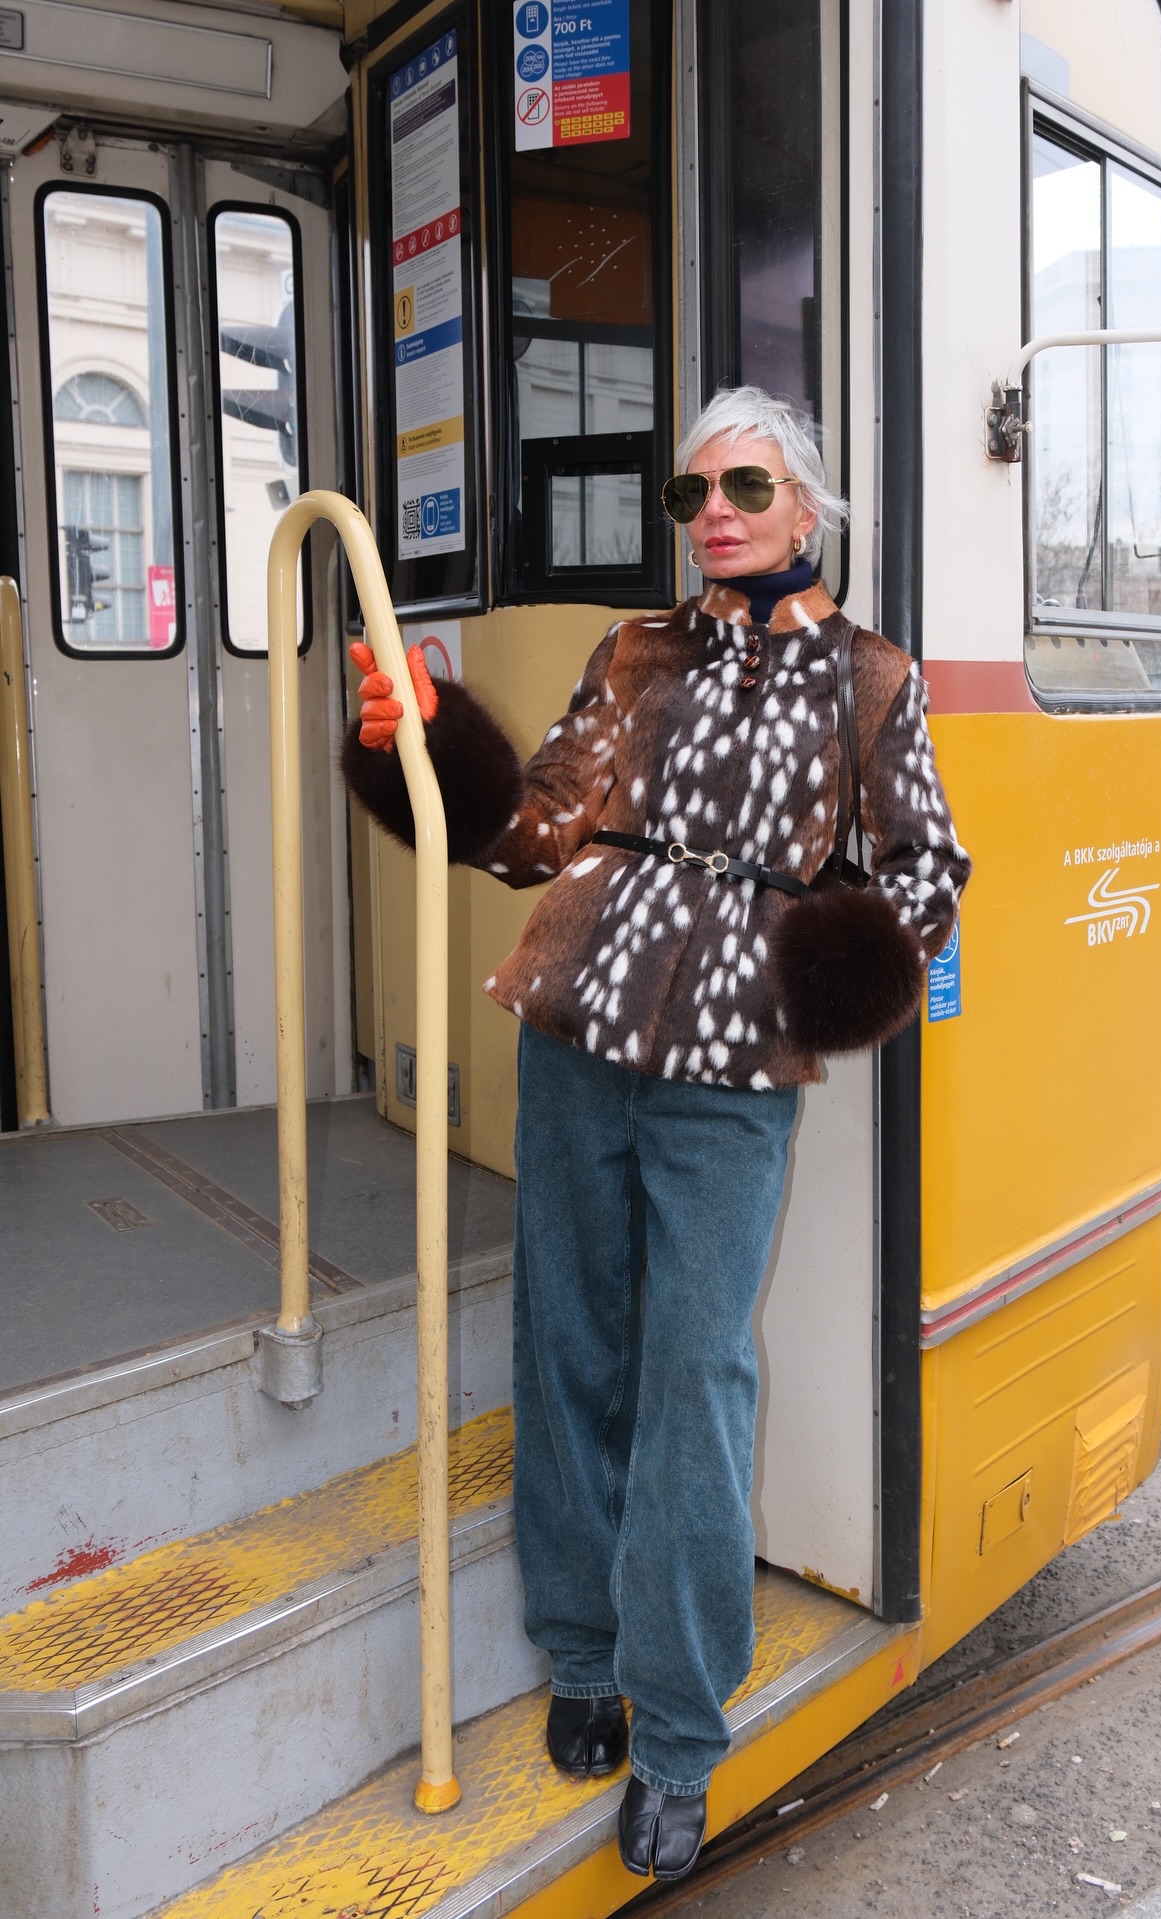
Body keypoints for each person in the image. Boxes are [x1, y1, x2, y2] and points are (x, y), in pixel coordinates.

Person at [342, 385, 970, 1884]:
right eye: (693, 494)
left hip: (732, 1068)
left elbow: (929, 868)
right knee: (568, 1337)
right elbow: (536, 830)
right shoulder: (633, 651)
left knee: (696, 1372)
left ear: (806, 505)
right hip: (575, 1025)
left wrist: (820, 975)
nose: (717, 515)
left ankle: (681, 1732)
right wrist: (427, 746)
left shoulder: (871, 678)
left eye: (746, 486)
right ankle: (580, 1651)